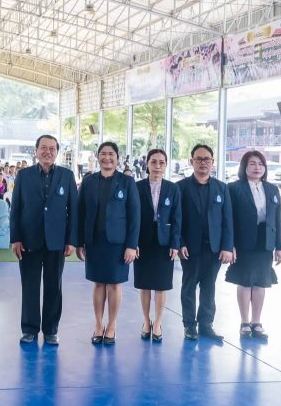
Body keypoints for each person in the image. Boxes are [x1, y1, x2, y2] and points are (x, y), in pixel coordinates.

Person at [10, 135, 78, 346]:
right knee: (29, 286)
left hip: (57, 242)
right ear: (36, 151)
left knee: (53, 287)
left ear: (57, 152)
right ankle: (29, 329)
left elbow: (73, 210)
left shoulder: (67, 175)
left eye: (52, 148)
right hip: (28, 240)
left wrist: (71, 240)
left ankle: (51, 330)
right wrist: (16, 238)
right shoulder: (24, 175)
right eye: (43, 148)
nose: (47, 152)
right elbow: (16, 209)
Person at [77, 142, 139, 346]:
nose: (107, 158)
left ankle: (111, 325)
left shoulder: (127, 182)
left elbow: (134, 216)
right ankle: (98, 325)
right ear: (97, 157)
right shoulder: (88, 181)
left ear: (117, 157)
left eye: (111, 154)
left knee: (114, 284)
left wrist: (131, 245)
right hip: (94, 241)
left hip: (118, 244)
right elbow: (80, 213)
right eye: (103, 154)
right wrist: (80, 242)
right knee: (98, 283)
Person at [225, 151, 281, 341]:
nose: (257, 167)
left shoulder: (272, 189)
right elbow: (229, 219)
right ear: (244, 167)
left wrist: (280, 246)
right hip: (243, 241)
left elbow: (278, 219)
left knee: (261, 281)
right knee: (245, 281)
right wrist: (230, 244)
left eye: (260, 164)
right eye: (252, 163)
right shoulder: (233, 188)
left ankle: (256, 321)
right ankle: (244, 322)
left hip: (265, 240)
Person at [177, 144, 234, 342]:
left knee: (209, 286)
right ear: (191, 161)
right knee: (189, 285)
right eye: (199, 159)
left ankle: (206, 324)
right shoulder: (181, 187)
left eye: (207, 159)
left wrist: (227, 247)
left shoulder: (221, 188)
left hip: (214, 248)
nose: (203, 162)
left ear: (212, 162)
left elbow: (227, 220)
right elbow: (177, 220)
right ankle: (189, 325)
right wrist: (180, 243)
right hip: (190, 248)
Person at [134, 148, 181, 342]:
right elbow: (132, 217)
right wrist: (133, 243)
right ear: (147, 164)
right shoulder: (137, 187)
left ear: (166, 165)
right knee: (144, 285)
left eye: (161, 162)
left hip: (164, 242)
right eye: (153, 162)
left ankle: (158, 322)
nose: (157, 166)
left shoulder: (173, 188)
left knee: (161, 285)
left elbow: (177, 218)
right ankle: (146, 321)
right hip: (142, 240)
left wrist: (175, 243)